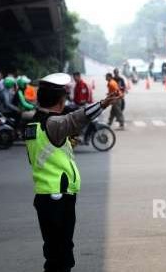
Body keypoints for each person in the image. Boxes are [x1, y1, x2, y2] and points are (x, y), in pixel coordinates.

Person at [25, 73, 120, 272]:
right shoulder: (53, 124)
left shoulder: (34, 123)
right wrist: (103, 103)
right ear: (60, 101)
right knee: (61, 255)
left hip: (46, 196)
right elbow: (76, 118)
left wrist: (68, 144)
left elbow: (44, 153)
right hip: (57, 197)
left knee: (54, 251)